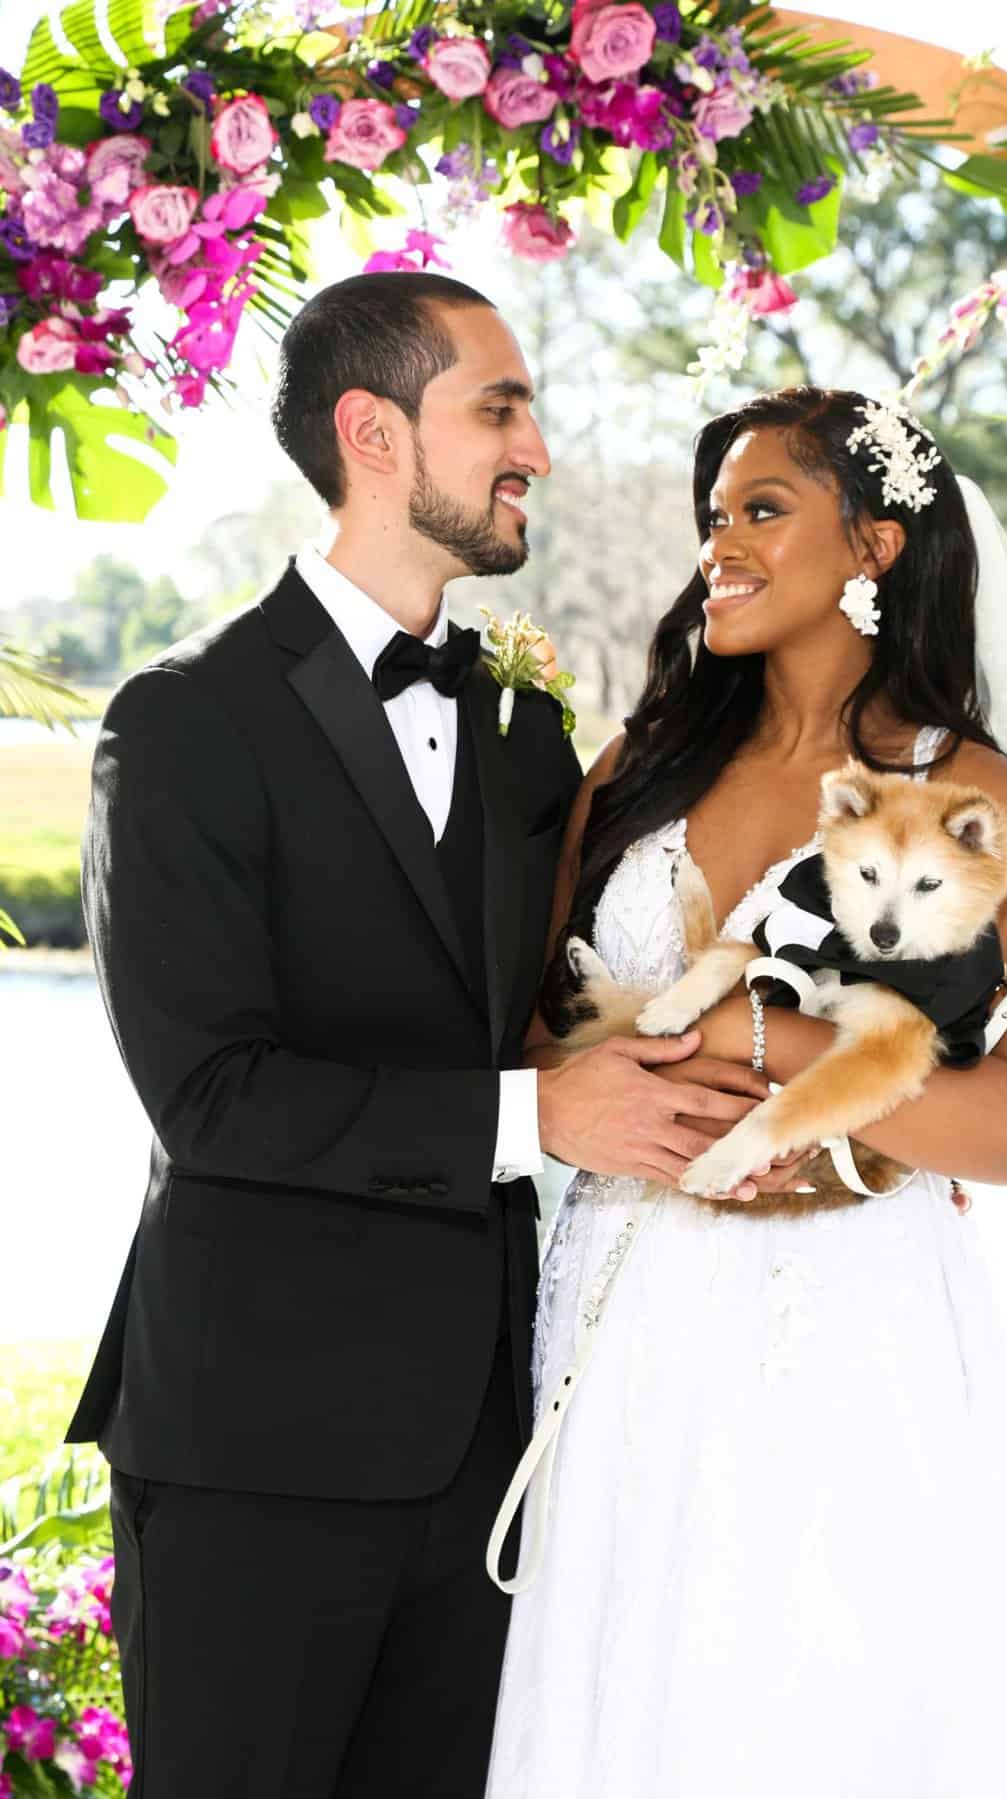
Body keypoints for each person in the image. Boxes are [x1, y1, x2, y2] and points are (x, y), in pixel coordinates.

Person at [64, 272, 801, 1799]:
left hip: (494, 1452)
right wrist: (543, 1121)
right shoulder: (182, 721)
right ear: (373, 432)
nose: (536, 443)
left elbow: (587, 988)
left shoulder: (532, 737)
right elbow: (212, 1098)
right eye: (499, 406)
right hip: (250, 1449)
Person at [485, 387, 1007, 1797]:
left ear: (873, 547)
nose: (721, 547)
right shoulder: (639, 767)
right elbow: (535, 1030)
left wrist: (796, 1061)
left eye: (763, 511)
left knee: (828, 1702)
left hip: (853, 1325)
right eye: (714, 519)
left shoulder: (968, 793)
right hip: (621, 1318)